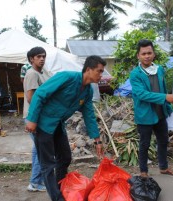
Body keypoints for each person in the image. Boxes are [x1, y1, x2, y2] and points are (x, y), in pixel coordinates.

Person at [25, 55, 105, 201]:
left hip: (58, 125)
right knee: (47, 164)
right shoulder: (67, 77)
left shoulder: (88, 91)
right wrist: (32, 119)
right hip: (43, 124)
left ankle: (59, 187)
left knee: (65, 157)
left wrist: (97, 140)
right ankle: (57, 198)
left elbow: (89, 115)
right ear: (88, 69)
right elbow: (40, 94)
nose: (101, 75)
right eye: (99, 71)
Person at [129, 39, 173, 178]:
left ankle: (163, 168)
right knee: (144, 144)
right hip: (145, 115)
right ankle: (144, 172)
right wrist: (165, 97)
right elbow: (141, 94)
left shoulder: (159, 69)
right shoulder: (135, 74)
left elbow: (163, 88)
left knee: (163, 141)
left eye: (149, 53)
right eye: (143, 53)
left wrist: (168, 104)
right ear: (138, 56)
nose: (147, 56)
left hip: (160, 113)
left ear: (154, 54)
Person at [23, 47, 49, 192]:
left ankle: (35, 182)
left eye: (44, 56)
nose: (42, 59)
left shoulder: (42, 73)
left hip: (37, 116)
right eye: (38, 56)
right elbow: (31, 98)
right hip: (33, 117)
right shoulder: (32, 74)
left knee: (37, 150)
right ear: (31, 59)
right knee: (41, 150)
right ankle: (35, 182)